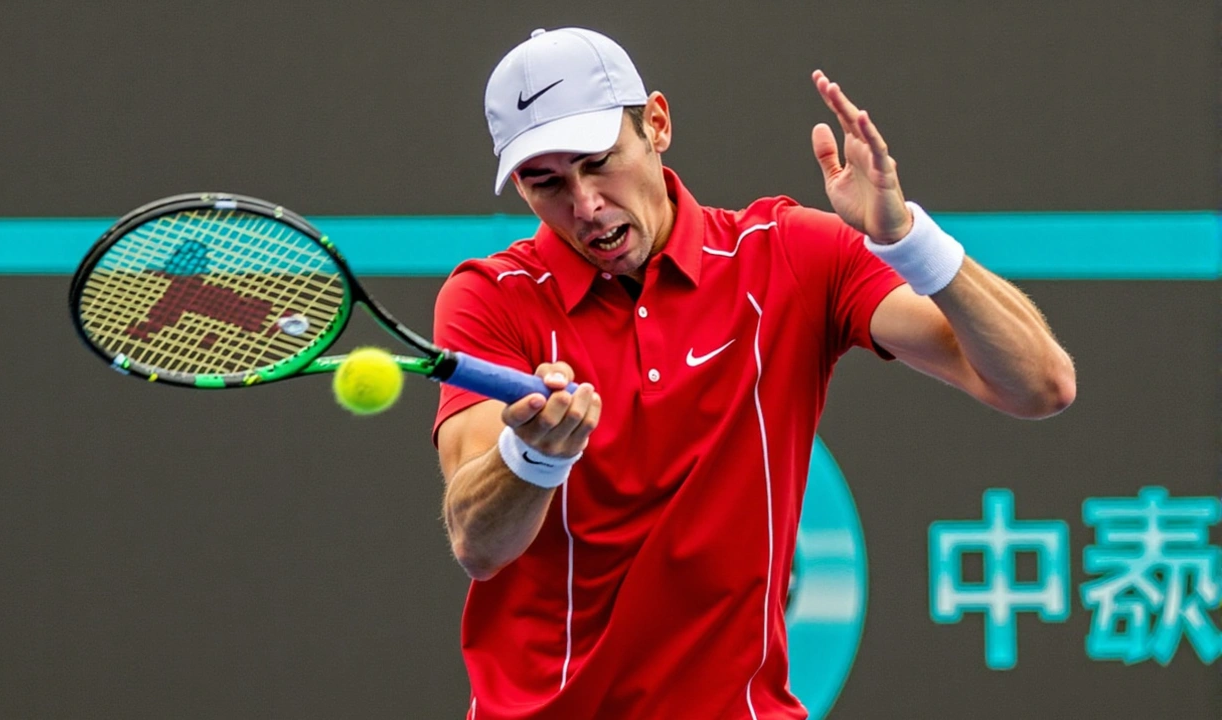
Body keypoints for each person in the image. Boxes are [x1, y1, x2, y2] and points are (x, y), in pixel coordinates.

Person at [431, 27, 1075, 720]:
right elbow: (478, 543)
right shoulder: (490, 298)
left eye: (599, 162)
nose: (584, 205)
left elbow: (1040, 386)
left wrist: (908, 241)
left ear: (657, 123)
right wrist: (533, 459)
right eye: (545, 182)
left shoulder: (789, 255)